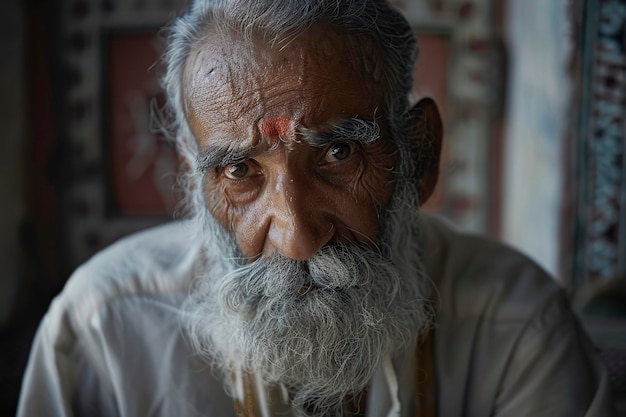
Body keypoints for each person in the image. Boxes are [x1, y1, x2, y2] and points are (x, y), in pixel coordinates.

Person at [17, 0, 614, 416]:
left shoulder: (516, 326)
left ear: (420, 155)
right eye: (238, 170)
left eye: (338, 152)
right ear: (196, 182)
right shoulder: (101, 332)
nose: (297, 237)